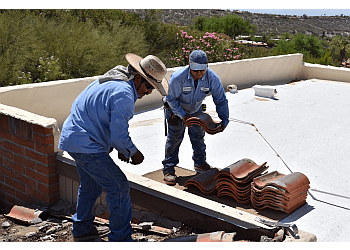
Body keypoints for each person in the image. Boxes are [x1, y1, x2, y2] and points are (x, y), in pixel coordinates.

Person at [58, 53, 168, 241]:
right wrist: (133, 152)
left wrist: (120, 146)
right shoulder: (124, 94)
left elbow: (104, 119)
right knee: (118, 186)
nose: (149, 92)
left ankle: (82, 228)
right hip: (86, 144)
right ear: (139, 78)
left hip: (73, 138)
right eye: (149, 86)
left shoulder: (113, 78)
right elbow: (119, 134)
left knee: (91, 185)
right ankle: (121, 239)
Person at [162, 50, 229, 185]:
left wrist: (224, 120)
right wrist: (183, 115)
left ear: (207, 66)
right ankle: (169, 169)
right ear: (189, 66)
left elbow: (220, 99)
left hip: (196, 109)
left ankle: (200, 163)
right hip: (176, 110)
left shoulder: (212, 78)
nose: (199, 74)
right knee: (174, 138)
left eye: (202, 71)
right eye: (195, 71)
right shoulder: (178, 77)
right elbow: (171, 99)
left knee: (198, 137)